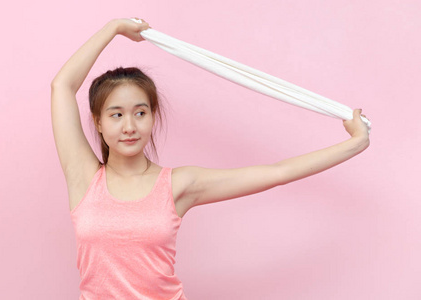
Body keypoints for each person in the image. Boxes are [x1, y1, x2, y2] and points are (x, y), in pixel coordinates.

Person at [51, 18, 370, 300]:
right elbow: (62, 86)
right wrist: (115, 28)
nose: (129, 126)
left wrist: (354, 144)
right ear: (98, 122)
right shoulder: (85, 178)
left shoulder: (178, 184)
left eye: (140, 112)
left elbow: (277, 172)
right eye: (116, 114)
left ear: (152, 117)